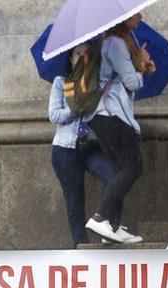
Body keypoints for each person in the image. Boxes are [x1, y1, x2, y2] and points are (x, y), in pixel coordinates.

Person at [83, 12, 156, 244]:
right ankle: (101, 217)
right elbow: (131, 82)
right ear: (123, 17)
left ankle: (112, 228)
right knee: (133, 167)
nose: (141, 15)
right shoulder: (115, 43)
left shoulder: (112, 41)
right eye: (135, 12)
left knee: (119, 170)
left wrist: (141, 65)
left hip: (104, 116)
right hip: (112, 115)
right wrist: (142, 66)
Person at [49, 43, 116, 248]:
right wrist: (76, 108)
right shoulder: (61, 83)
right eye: (78, 54)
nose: (82, 57)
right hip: (65, 151)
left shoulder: (100, 84)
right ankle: (81, 246)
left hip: (91, 148)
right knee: (74, 201)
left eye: (87, 53)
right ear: (71, 59)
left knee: (114, 178)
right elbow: (54, 115)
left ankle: (106, 226)